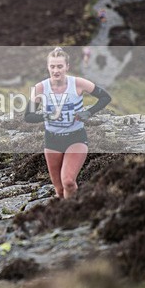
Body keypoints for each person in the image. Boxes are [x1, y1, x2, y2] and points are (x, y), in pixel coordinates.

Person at [24, 47, 111, 199]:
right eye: (52, 66)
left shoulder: (78, 83)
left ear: (67, 67)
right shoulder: (40, 88)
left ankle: (72, 215)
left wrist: (88, 112)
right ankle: (63, 214)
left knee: (69, 182)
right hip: (52, 141)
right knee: (59, 190)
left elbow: (105, 97)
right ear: (48, 67)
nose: (56, 70)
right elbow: (28, 116)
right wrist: (47, 116)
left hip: (76, 138)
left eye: (59, 66)